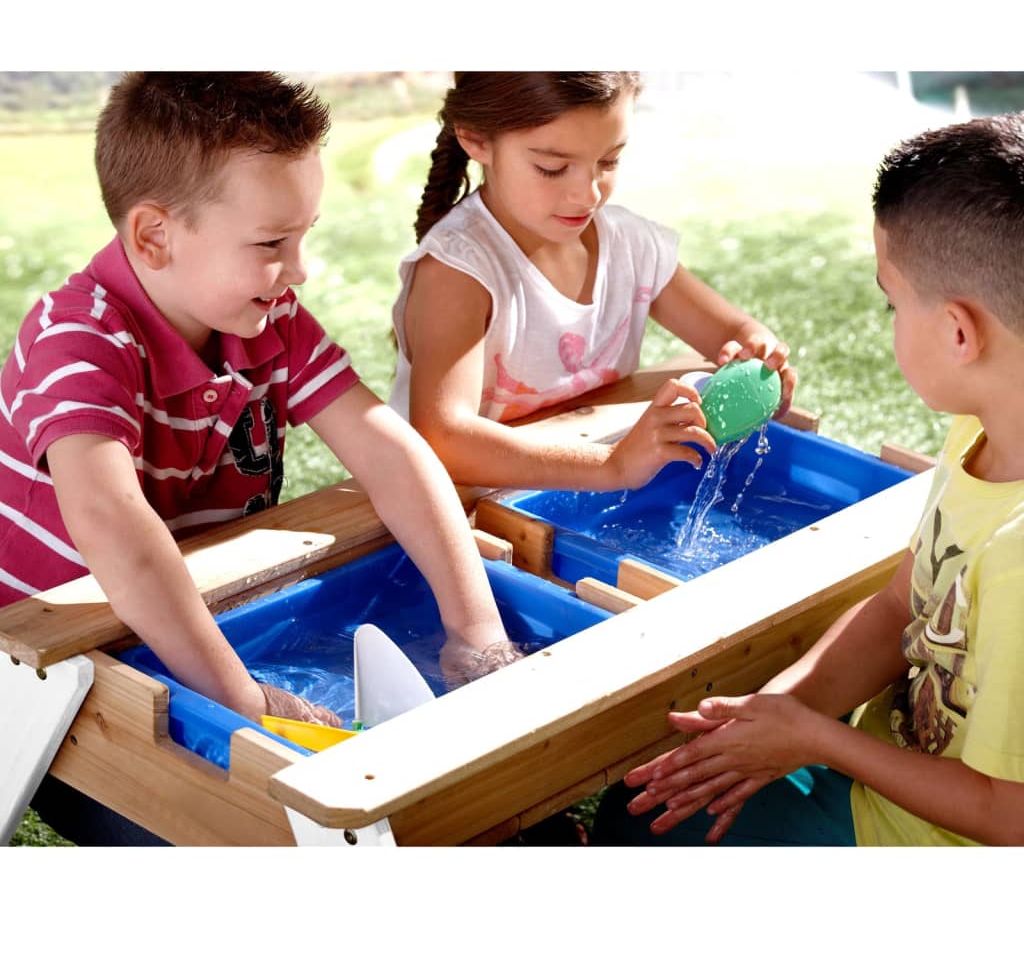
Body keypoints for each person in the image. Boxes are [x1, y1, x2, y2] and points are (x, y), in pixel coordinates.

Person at [0, 72, 521, 738]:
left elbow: (389, 453)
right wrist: (244, 701)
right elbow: (111, 524)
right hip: (67, 679)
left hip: (213, 616)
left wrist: (476, 632)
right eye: (272, 244)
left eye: (303, 235)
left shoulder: (266, 320)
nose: (299, 269)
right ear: (155, 236)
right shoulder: (77, 342)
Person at [591, 113, 1024, 847]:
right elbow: (900, 605)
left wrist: (817, 741)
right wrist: (773, 712)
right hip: (886, 765)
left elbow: (1008, 818)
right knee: (639, 802)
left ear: (958, 333)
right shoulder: (984, 427)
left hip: (930, 842)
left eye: (893, 300)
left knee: (641, 828)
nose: (888, 318)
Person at [389, 72, 797, 491]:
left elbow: (732, 333)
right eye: (553, 168)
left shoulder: (630, 247)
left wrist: (758, 357)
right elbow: (442, 440)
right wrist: (611, 465)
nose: (588, 195)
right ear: (476, 139)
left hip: (565, 487)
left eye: (608, 161)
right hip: (451, 505)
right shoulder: (459, 272)